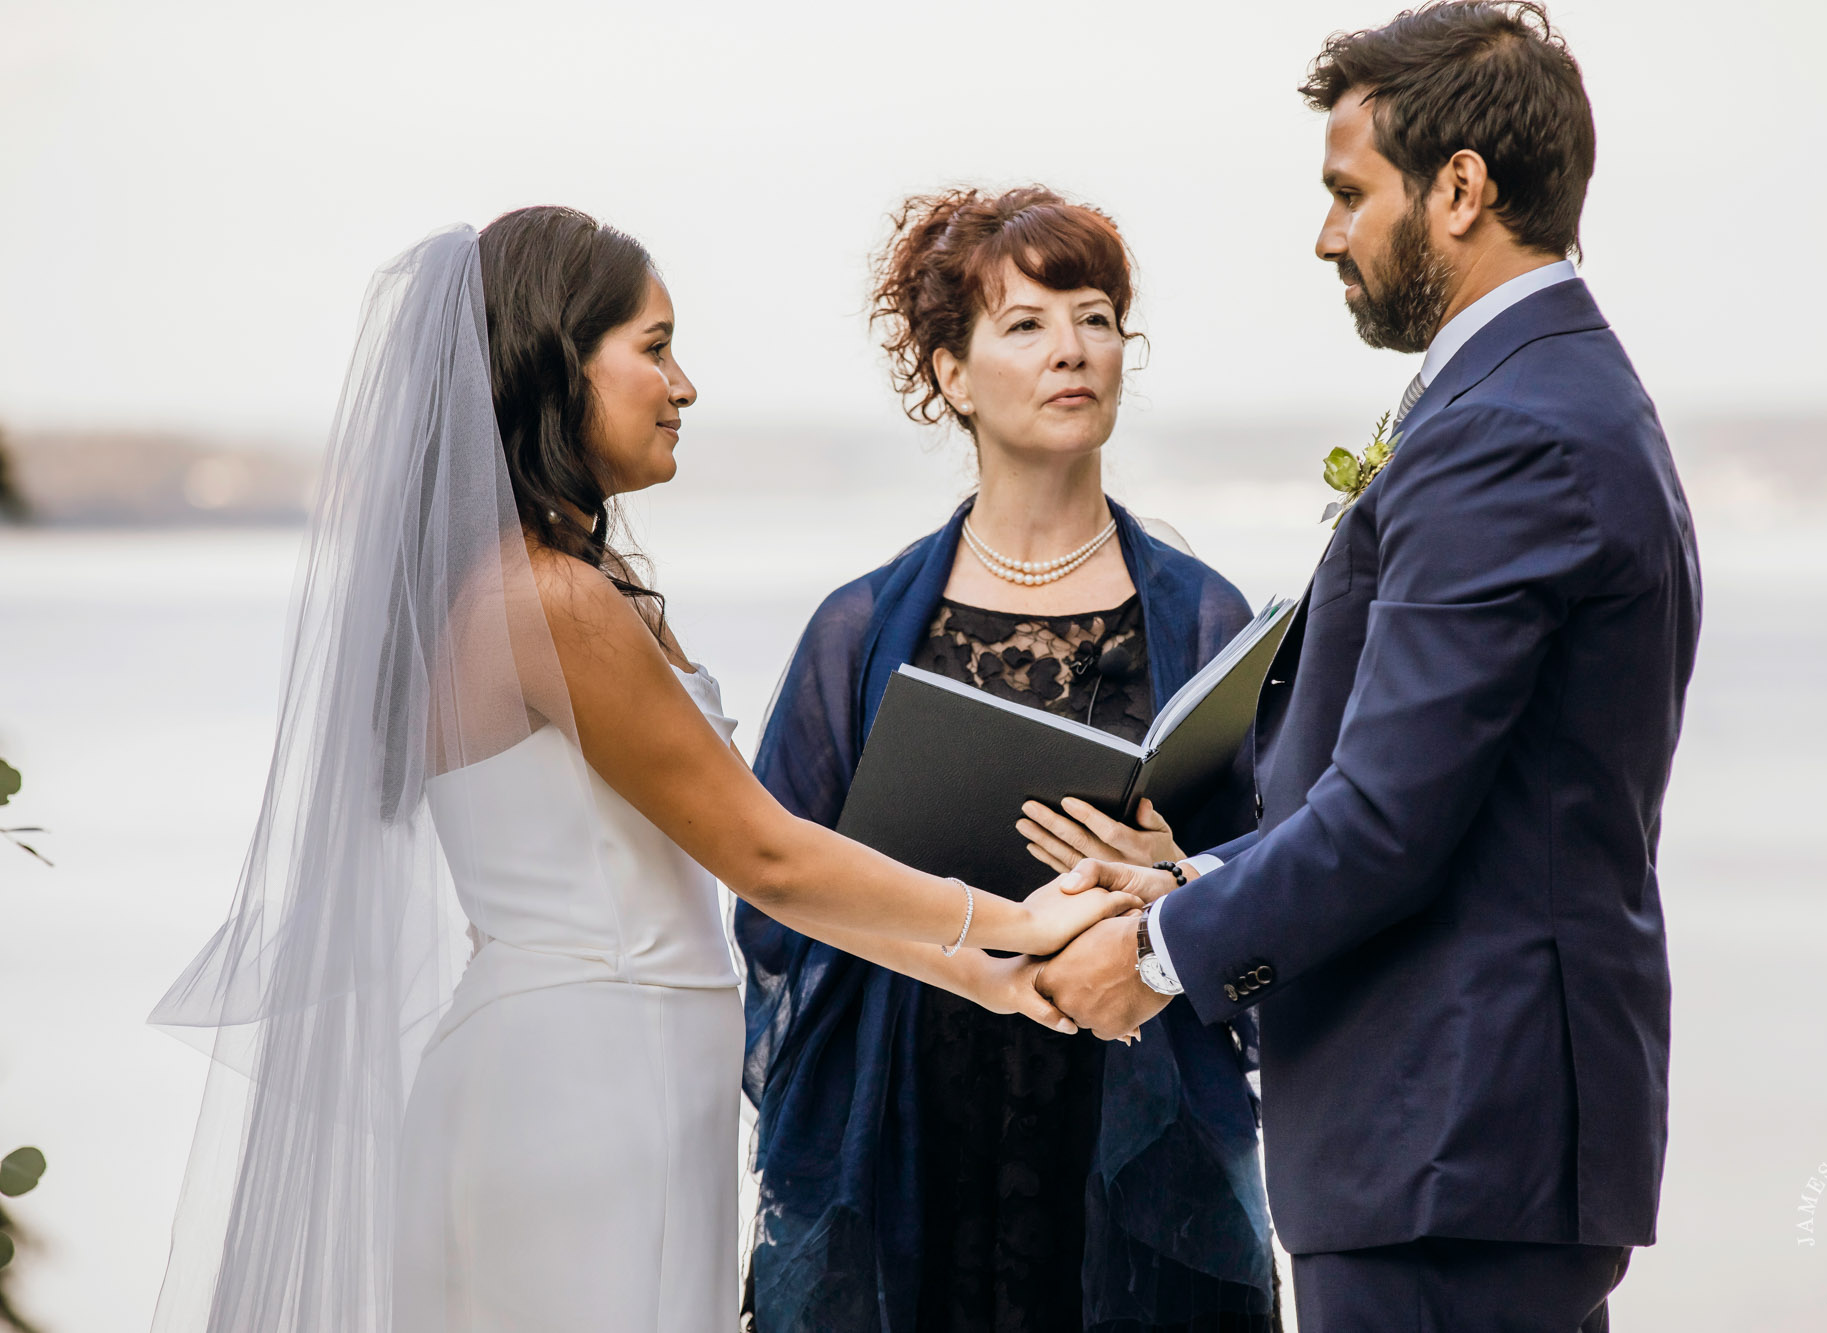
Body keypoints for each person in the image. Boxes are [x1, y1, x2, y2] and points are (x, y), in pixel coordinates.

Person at [147, 207, 1141, 1333]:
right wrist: (1023, 924)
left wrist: (978, 977)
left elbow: (739, 865)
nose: (685, 384)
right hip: (578, 1090)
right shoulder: (548, 601)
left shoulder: (550, 581)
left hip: (606, 1077)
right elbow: (764, 853)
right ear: (556, 362)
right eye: (655, 346)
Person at [1039, 5, 1700, 1331]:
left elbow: (1391, 821)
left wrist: (1161, 950)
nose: (1328, 235)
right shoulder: (1544, 392)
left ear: (1460, 189)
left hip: (1450, 1144)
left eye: (1350, 193)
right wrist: (1196, 873)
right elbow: (1466, 803)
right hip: (1467, 1144)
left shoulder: (1509, 428)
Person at [736, 187, 1278, 1333]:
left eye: (1094, 316)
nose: (1072, 349)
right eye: (1025, 323)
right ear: (949, 374)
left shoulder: (1203, 614)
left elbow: (1282, 870)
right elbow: (776, 893)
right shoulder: (862, 625)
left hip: (1131, 1108)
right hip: (911, 1108)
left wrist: (1175, 867)